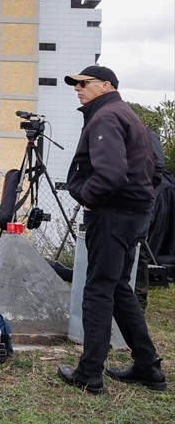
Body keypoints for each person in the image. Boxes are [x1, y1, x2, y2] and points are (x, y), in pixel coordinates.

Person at [57, 65, 166, 394]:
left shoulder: (105, 117)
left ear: (106, 85)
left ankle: (89, 373)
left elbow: (111, 174)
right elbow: (156, 169)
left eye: (83, 83)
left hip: (112, 214)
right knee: (118, 288)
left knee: (98, 290)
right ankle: (148, 368)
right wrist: (137, 202)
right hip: (134, 214)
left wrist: (90, 200)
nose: (77, 88)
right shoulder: (128, 115)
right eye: (75, 84)